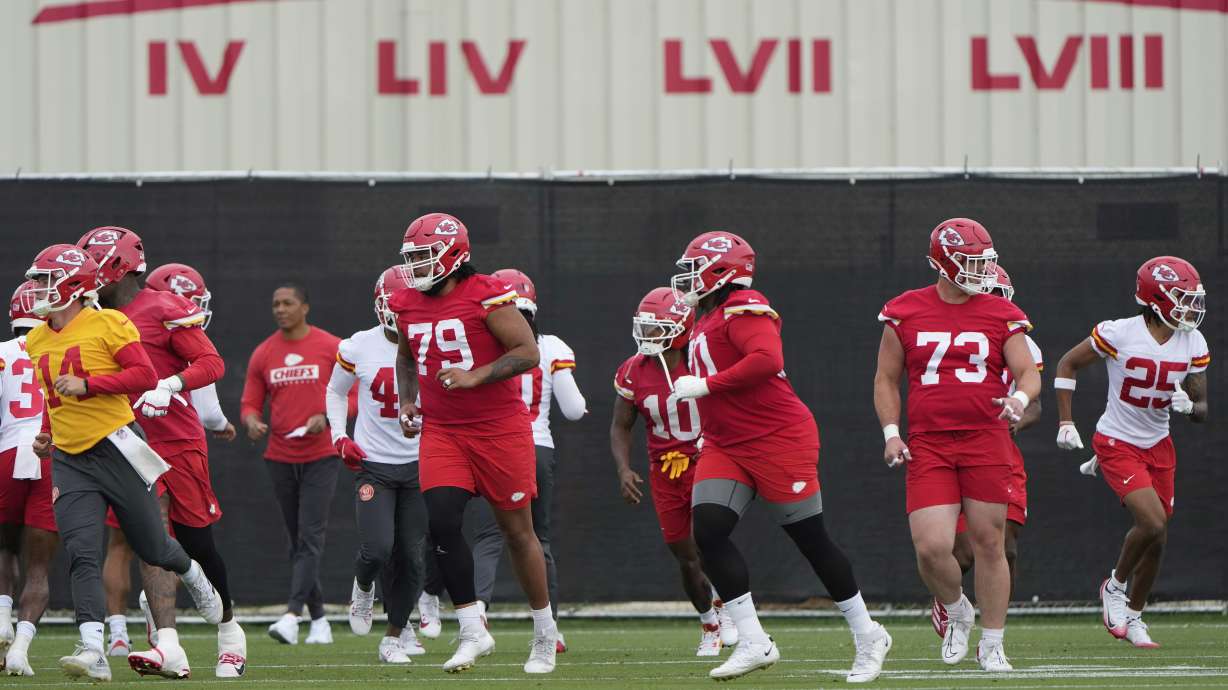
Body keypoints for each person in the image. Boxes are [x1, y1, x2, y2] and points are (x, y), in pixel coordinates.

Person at [669, 231, 891, 683]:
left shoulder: (743, 304)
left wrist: (707, 386)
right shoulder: (703, 316)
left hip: (778, 436)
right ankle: (754, 642)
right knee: (708, 533)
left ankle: (868, 634)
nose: (687, 277)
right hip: (726, 443)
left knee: (810, 540)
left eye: (696, 267)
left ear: (721, 271)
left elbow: (766, 359)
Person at [23, 244, 222, 682]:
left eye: (44, 279)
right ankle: (93, 647)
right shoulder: (36, 338)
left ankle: (192, 573)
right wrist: (48, 434)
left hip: (119, 446)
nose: (36, 288)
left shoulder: (110, 322)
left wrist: (89, 385)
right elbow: (53, 399)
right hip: (71, 458)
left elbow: (144, 377)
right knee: (82, 552)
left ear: (73, 286)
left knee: (154, 546)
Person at [390, 212, 557, 674]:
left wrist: (477, 375)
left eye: (425, 257)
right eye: (413, 258)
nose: (416, 268)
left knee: (518, 532)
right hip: (443, 430)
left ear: (453, 254)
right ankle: (471, 630)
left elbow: (527, 352)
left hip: (499, 429)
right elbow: (405, 358)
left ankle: (544, 633)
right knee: (442, 523)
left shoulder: (487, 293)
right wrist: (408, 401)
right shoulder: (406, 302)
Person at [874, 219, 1040, 672]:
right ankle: (958, 607)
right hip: (929, 442)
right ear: (944, 263)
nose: (981, 271)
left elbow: (1029, 371)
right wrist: (892, 433)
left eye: (984, 261)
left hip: (985, 438)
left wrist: (1019, 398)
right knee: (931, 546)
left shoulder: (1002, 313)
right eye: (971, 261)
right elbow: (886, 379)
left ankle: (993, 642)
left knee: (990, 542)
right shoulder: (904, 310)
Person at [78, 227, 244, 679]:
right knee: (152, 541)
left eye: (93, 265)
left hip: (178, 440)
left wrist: (168, 384)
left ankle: (230, 631)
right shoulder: (91, 316)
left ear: (115, 266)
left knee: (197, 544)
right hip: (127, 442)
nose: (85, 276)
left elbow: (212, 363)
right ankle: (167, 646)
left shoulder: (162, 307)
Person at [1052, 256, 1209, 648]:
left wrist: (1191, 408)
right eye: (1182, 298)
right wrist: (1066, 421)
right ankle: (1114, 586)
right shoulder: (1119, 333)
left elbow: (1202, 407)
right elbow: (1067, 364)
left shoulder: (1193, 341)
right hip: (1117, 441)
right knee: (1152, 523)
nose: (1191, 306)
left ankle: (1136, 617)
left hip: (1159, 444)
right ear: (1156, 300)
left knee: (1158, 537)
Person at [610, 286, 736, 656]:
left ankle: (726, 607)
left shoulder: (701, 361)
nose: (647, 336)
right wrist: (622, 468)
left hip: (707, 458)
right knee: (683, 553)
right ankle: (708, 623)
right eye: (644, 327)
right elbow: (620, 424)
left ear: (680, 328)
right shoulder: (633, 369)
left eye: (655, 328)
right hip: (664, 468)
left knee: (707, 539)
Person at [469, 268, 586, 652]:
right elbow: (572, 409)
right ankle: (551, 627)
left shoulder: (480, 340)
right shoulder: (551, 346)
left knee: (489, 536)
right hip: (536, 447)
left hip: (493, 445)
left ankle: (477, 618)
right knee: (539, 539)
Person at [329, 267, 428, 664]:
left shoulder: (431, 341)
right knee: (377, 548)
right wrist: (339, 435)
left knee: (413, 554)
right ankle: (363, 586)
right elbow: (335, 392)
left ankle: (394, 635)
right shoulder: (358, 346)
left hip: (422, 464)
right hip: (375, 464)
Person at [240, 283, 349, 646]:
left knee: (310, 537)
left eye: (287, 303)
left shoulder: (331, 346)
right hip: (280, 458)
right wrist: (252, 422)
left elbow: (355, 394)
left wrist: (328, 416)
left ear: (305, 307)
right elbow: (249, 403)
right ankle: (320, 620)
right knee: (297, 542)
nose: (280, 309)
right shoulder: (264, 352)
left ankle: (291, 615)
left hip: (322, 455)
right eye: (275, 304)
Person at [937, 266, 1043, 633]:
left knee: (1007, 546)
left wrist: (1012, 418)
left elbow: (1035, 406)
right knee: (964, 552)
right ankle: (949, 600)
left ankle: (994, 631)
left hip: (999, 450)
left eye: (999, 294)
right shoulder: (949, 333)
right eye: (987, 293)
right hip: (955, 445)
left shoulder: (1020, 340)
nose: (994, 302)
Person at [0, 281, 56, 677]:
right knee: (39, 567)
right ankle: (19, 648)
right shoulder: (63, 347)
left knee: (3, 549)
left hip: (7, 451)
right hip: (53, 454)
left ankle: (1, 620)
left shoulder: (2, 354)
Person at [145, 263, 237, 442]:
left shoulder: (125, 325)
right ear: (173, 299)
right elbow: (207, 413)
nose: (198, 310)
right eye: (195, 302)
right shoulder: (186, 343)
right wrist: (221, 424)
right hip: (173, 440)